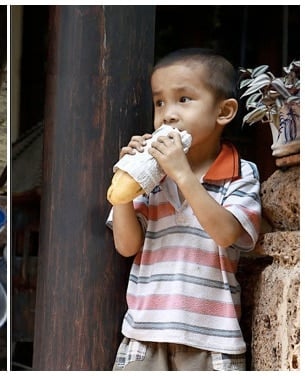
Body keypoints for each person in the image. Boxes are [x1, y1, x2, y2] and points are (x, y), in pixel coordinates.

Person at [107, 48, 262, 371]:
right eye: (160, 102)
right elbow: (126, 245)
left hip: (213, 340)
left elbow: (225, 233)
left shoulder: (242, 173)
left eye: (184, 99)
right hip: (145, 334)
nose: (168, 114)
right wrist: (127, 180)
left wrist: (182, 174)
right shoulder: (153, 177)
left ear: (224, 111)